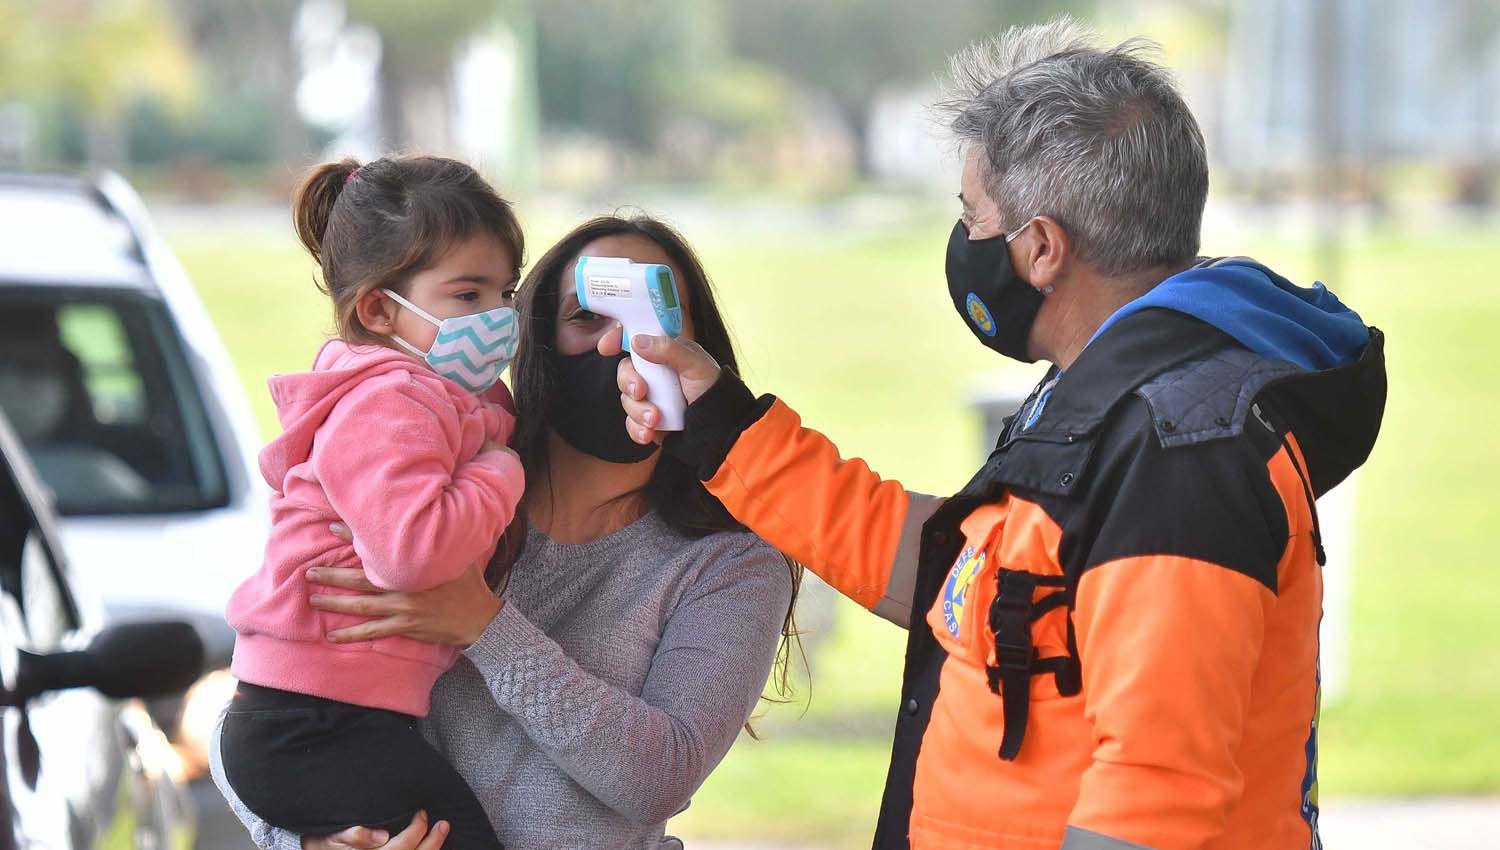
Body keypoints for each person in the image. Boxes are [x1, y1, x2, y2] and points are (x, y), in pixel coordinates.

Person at [609, 19, 1387, 850]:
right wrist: (725, 429)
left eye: (973, 215)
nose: (965, 242)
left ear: (1044, 248)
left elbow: (1155, 799)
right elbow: (970, 587)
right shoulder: (1111, 394)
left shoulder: (1180, 451)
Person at [212, 213, 800, 850]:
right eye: (588, 316)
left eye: (652, 314)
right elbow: (268, 710)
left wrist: (484, 626)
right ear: (534, 339)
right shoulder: (424, 497)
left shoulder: (729, 561)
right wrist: (304, 841)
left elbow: (663, 775)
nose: (620, 345)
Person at [221, 155, 528, 850]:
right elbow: (411, 553)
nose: (500, 318)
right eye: (468, 295)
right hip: (311, 724)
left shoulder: (438, 398)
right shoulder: (391, 399)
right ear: (379, 309)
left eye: (506, 292)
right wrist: (502, 470)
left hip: (330, 717)